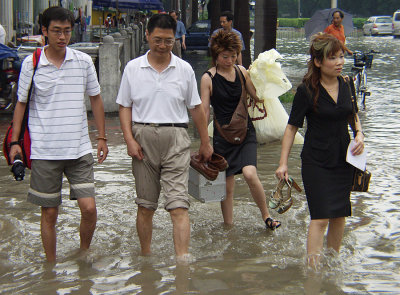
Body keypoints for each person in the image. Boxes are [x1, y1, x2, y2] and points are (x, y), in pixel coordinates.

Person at [8, 6, 108, 262]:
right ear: (44, 31)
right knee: (49, 213)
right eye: (56, 31)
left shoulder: (83, 61)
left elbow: (95, 99)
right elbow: (21, 104)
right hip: (44, 149)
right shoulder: (32, 64)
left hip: (79, 148)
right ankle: (50, 266)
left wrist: (101, 137)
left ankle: (83, 253)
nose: (62, 37)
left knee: (89, 208)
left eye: (66, 31)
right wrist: (15, 143)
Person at [117, 13, 213, 259]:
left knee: (179, 205)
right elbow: (125, 106)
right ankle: (146, 258)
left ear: (176, 39)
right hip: (142, 137)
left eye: (168, 41)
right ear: (147, 35)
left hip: (176, 137)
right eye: (157, 39)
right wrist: (129, 139)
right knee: (145, 205)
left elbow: (196, 109)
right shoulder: (133, 68)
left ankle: (182, 261)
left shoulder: (184, 69)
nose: (162, 46)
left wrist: (205, 141)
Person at [275, 33, 364, 269]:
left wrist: (359, 135)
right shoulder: (306, 91)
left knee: (339, 214)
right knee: (321, 217)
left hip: (343, 160)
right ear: (317, 62)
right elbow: (292, 127)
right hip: (316, 161)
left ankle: (332, 263)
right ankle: (312, 271)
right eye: (332, 57)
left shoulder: (346, 84)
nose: (339, 62)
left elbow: (352, 114)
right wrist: (283, 163)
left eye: (341, 56)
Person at [201, 30, 281, 230]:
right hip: (222, 136)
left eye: (233, 55)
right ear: (216, 56)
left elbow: (257, 97)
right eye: (224, 56)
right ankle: (228, 226)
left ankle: (266, 217)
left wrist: (260, 75)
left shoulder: (241, 72)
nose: (229, 60)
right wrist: (205, 141)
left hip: (246, 132)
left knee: (250, 173)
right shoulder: (208, 78)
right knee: (227, 186)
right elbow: (203, 111)